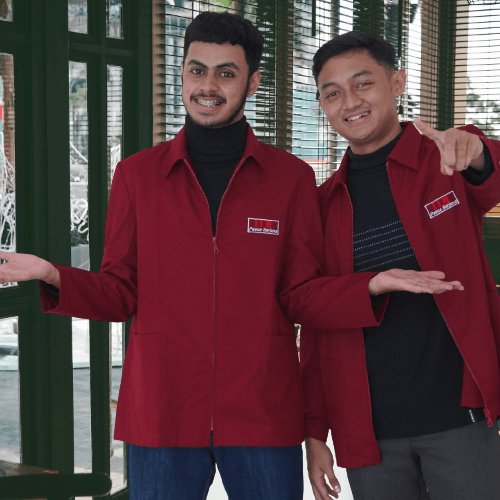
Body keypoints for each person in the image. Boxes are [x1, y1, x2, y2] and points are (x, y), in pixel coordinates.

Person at [0, 16, 460, 500]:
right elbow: (119, 294)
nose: (208, 86)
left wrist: (370, 285)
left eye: (226, 73)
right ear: (181, 74)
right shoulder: (137, 176)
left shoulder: (290, 179)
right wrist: (53, 274)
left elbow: (302, 295)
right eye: (197, 70)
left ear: (252, 82)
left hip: (263, 409)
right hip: (162, 410)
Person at [302, 30, 500, 500]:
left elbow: (489, 171)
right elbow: (314, 322)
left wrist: (479, 153)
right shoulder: (322, 205)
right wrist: (315, 433)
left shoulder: (446, 160)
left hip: (462, 419)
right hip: (370, 433)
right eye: (332, 93)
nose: (350, 102)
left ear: (397, 82)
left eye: (363, 83)